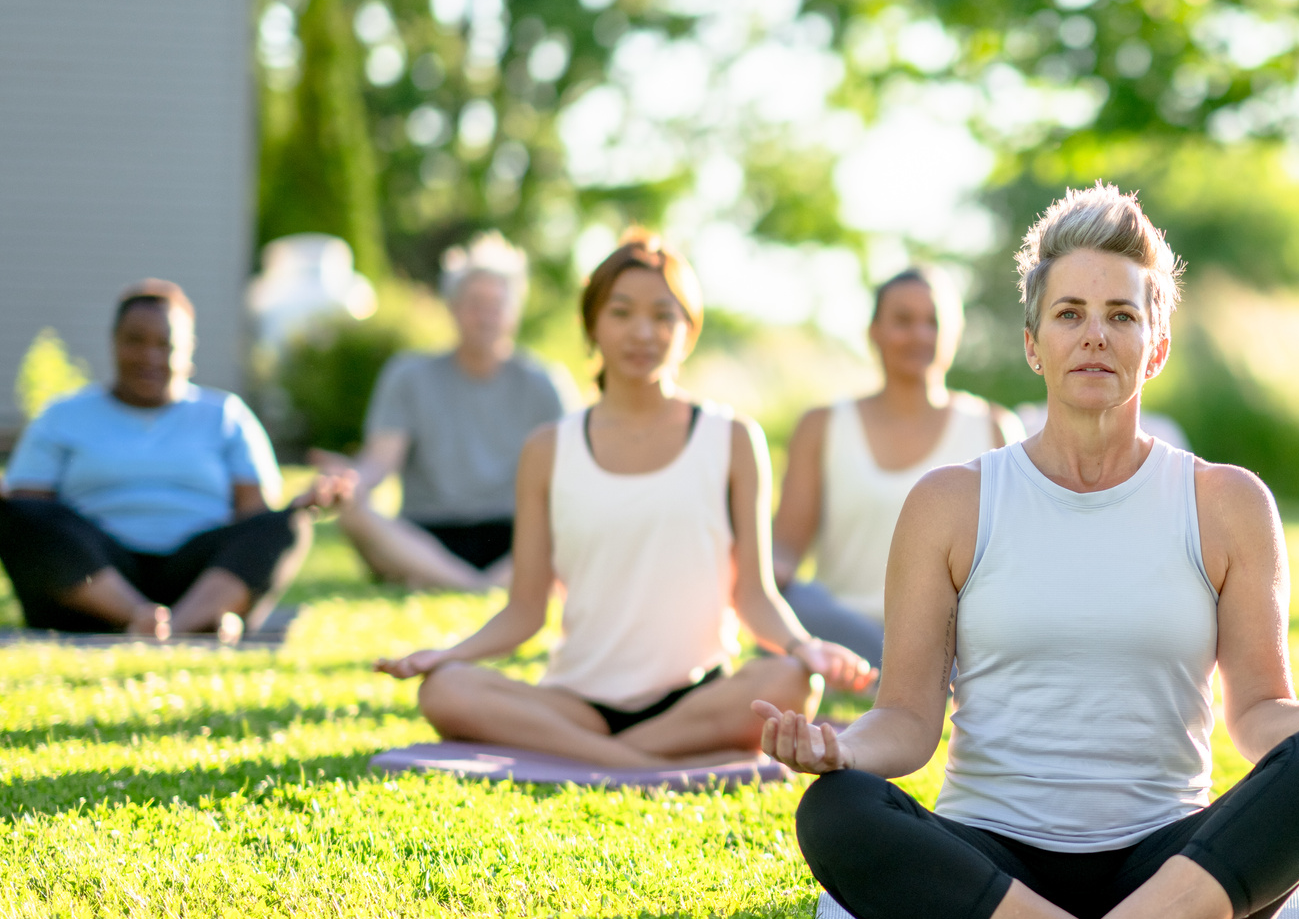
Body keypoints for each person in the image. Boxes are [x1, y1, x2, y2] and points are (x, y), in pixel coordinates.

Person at [753, 185, 1299, 919]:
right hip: (992, 872)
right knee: (838, 809)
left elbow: (1256, 717)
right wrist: (841, 747)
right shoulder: (951, 503)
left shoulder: (1227, 503)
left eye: (1121, 316)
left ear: (1157, 346)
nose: (1094, 336)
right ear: (1033, 344)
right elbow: (904, 723)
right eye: (1069, 314)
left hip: (1170, 872)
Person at [374, 232, 875, 767]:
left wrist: (804, 648)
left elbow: (754, 595)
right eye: (621, 312)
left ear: (688, 331)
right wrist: (450, 656)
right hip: (577, 703)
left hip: (697, 698)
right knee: (444, 690)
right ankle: (645, 764)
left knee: (792, 682)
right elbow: (525, 610)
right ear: (592, 325)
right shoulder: (548, 448)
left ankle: (603, 760)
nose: (643, 332)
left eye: (664, 316)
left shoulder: (732, 438)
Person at [0, 280, 341, 639]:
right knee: (14, 515)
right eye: (135, 341)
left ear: (189, 351)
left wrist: (305, 506)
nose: (149, 357)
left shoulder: (226, 415)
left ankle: (173, 623)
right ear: (114, 342)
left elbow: (253, 516)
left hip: (196, 575)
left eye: (166, 345)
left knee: (288, 524)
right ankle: (149, 619)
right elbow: (32, 515)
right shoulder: (62, 416)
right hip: (95, 573)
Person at [771, 267, 1022, 665]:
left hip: (947, 639)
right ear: (874, 332)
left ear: (953, 334)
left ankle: (896, 674)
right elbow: (785, 545)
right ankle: (880, 672)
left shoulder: (993, 428)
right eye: (903, 321)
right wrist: (760, 576)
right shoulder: (822, 426)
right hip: (841, 626)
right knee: (794, 606)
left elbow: (1010, 560)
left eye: (933, 322)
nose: (920, 335)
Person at [317, 235, 576, 591]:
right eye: (474, 304)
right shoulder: (408, 375)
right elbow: (380, 462)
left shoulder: (544, 382)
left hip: (514, 534)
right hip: (427, 535)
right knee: (353, 513)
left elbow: (570, 477)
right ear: (452, 307)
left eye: (497, 304)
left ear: (515, 311)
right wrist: (348, 483)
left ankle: (468, 583)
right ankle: (480, 587)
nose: (486, 316)